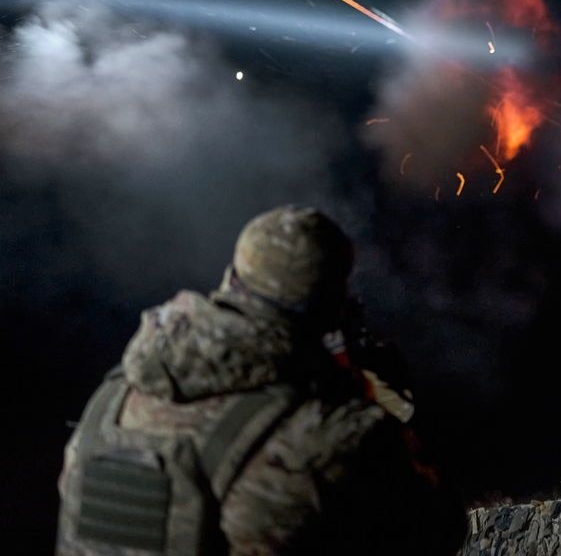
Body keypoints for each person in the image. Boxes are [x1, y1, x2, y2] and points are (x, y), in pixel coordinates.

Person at [56, 205, 468, 555]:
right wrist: (370, 405)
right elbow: (438, 531)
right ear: (330, 306)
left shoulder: (117, 392)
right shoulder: (330, 435)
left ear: (233, 280)